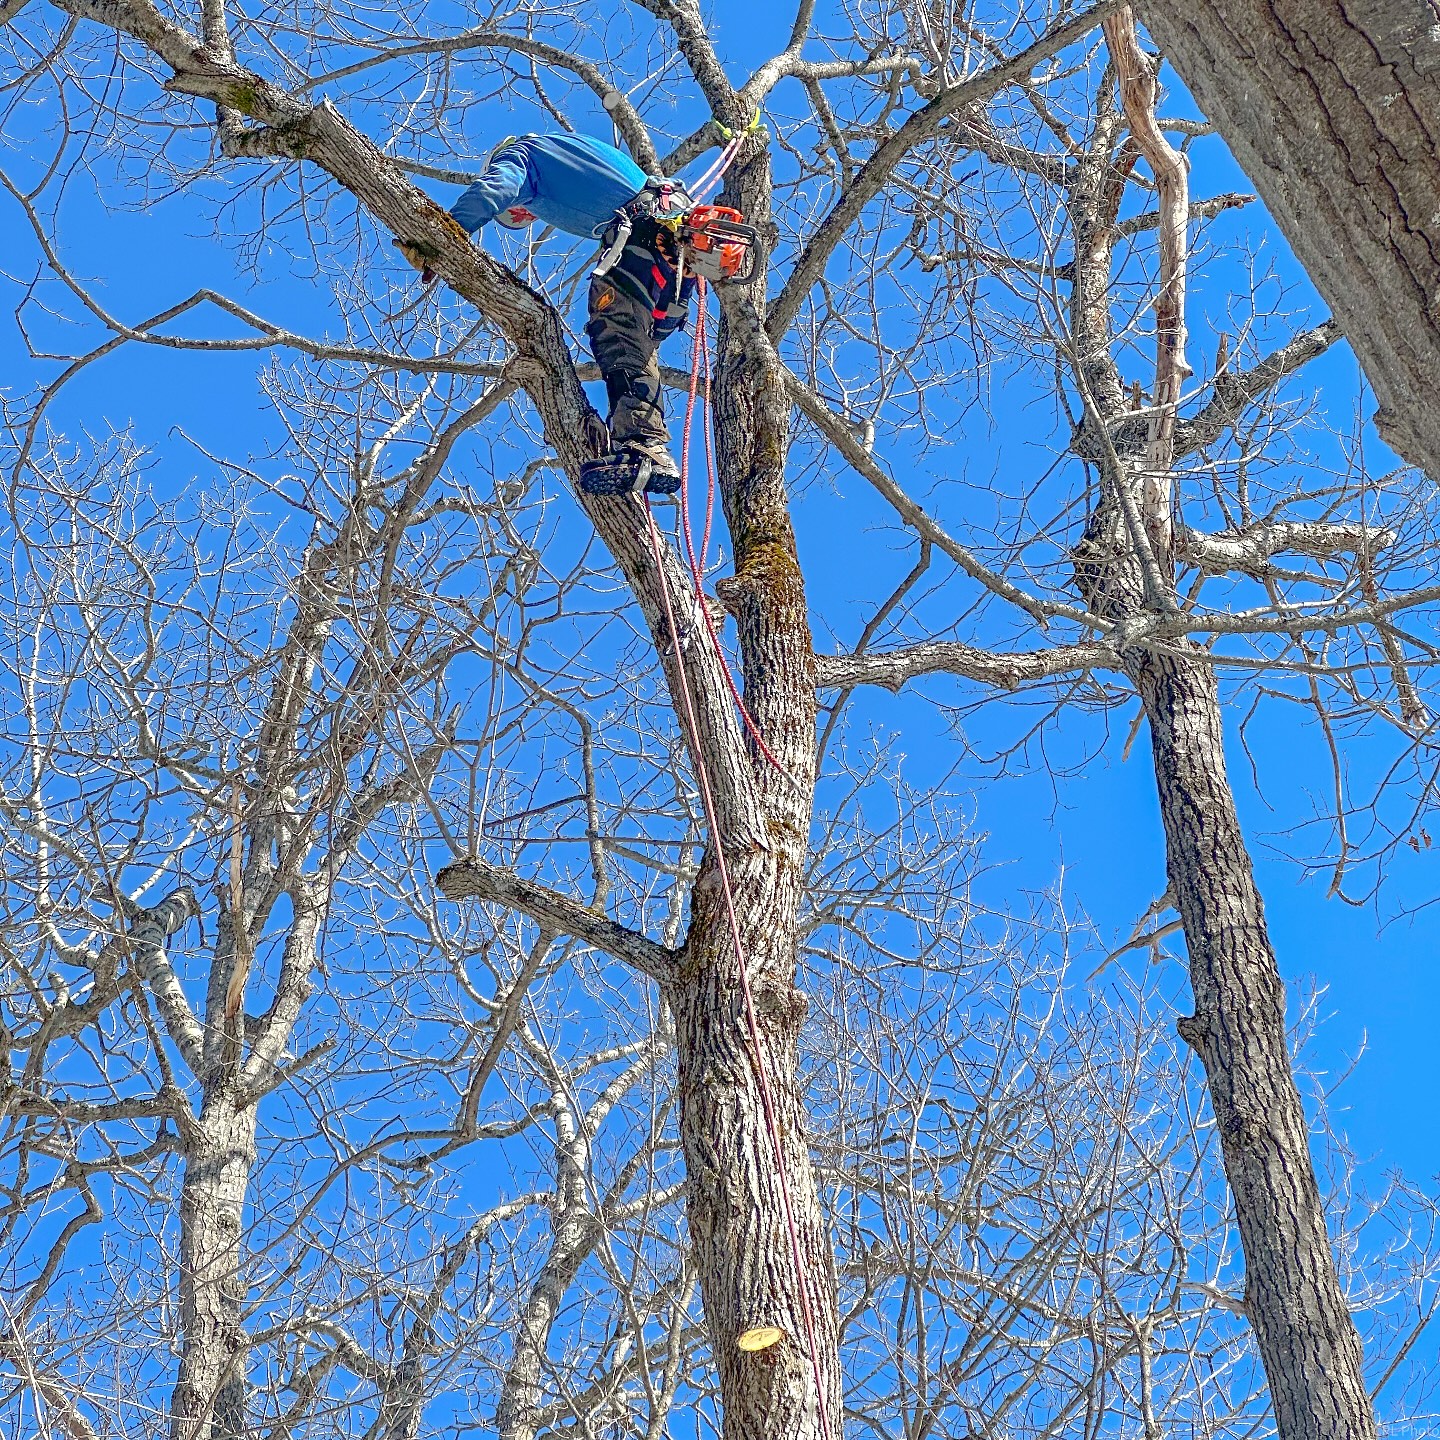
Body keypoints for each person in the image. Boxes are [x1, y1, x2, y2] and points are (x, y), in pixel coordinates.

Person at [411, 133, 697, 488]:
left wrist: (437, 241)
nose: (524, 213)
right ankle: (642, 439)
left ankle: (644, 446)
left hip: (647, 227)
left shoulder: (523, 154)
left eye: (518, 214)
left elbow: (491, 191)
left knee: (613, 322)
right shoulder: (576, 151)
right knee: (642, 338)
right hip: (673, 224)